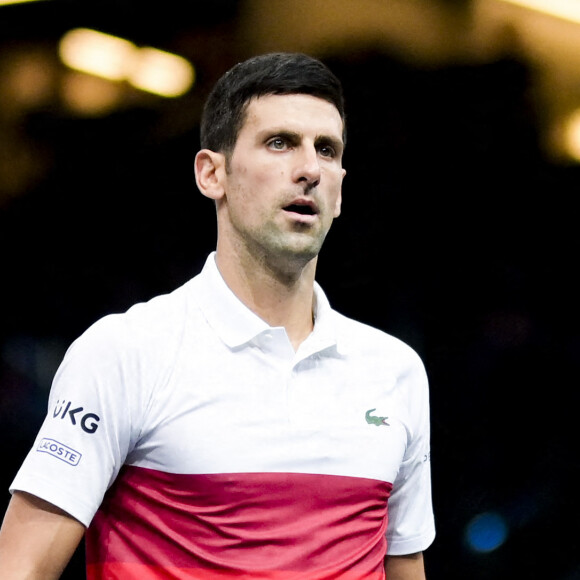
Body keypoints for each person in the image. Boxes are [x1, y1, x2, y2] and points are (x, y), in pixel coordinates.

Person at [0, 52, 435, 579]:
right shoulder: (125, 352)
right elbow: (20, 568)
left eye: (327, 150)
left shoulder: (396, 370)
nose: (308, 170)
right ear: (212, 173)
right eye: (280, 143)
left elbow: (405, 564)